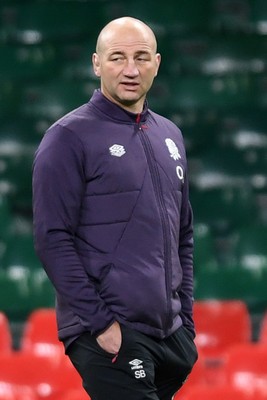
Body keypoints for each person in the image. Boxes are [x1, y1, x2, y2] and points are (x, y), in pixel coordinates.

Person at [32, 16, 198, 400]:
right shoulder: (67, 137)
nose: (130, 69)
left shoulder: (170, 134)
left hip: (170, 335)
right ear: (96, 64)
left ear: (157, 63)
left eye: (141, 57)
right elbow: (51, 238)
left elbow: (183, 235)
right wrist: (101, 323)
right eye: (117, 58)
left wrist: (185, 320)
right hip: (109, 331)